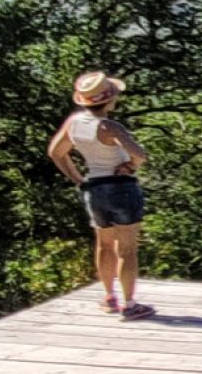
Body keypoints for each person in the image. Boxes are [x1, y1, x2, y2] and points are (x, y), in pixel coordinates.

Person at [46, 71, 154, 319]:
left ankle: (108, 296)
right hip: (122, 188)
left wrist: (78, 179)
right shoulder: (110, 127)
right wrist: (130, 166)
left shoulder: (74, 123)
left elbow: (56, 152)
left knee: (103, 244)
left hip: (94, 188)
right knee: (126, 249)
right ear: (109, 100)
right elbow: (140, 154)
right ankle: (130, 304)